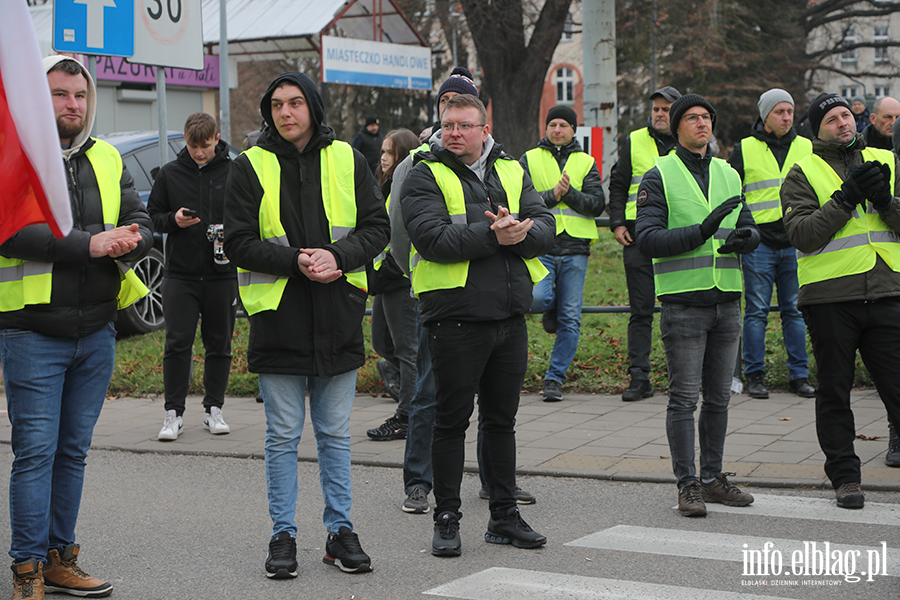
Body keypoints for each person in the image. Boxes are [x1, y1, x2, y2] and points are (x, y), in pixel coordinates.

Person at [224, 72, 389, 576]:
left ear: (313, 108)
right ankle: (283, 536)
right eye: (276, 105)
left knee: (335, 435)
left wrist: (337, 256)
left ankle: (340, 532)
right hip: (280, 320)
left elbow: (377, 227)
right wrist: (295, 260)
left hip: (336, 314)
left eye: (295, 103)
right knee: (282, 435)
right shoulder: (249, 166)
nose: (286, 112)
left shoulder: (347, 158)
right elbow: (237, 242)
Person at [0, 55, 153, 599]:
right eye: (60, 94)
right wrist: (90, 243)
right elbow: (12, 234)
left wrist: (137, 238)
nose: (72, 104)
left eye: (79, 95)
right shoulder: (14, 155)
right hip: (32, 332)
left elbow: (143, 218)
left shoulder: (108, 156)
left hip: (96, 332)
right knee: (36, 453)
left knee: (72, 452)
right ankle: (26, 570)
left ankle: (60, 558)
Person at [401, 94, 555, 556]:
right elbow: (431, 239)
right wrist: (495, 234)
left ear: (484, 131)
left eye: (465, 125)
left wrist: (522, 232)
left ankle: (504, 516)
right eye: (448, 125)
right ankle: (446, 517)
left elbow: (546, 223)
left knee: (501, 421)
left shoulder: (511, 170)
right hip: (456, 319)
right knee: (450, 423)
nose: (454, 133)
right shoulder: (424, 173)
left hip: (509, 316)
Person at [635, 93, 759, 518]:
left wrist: (749, 239)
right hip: (684, 302)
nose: (702, 123)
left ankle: (713, 479)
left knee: (720, 399)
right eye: (692, 117)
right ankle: (687, 485)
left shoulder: (727, 172)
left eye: (707, 117)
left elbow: (747, 224)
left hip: (726, 299)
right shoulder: (659, 176)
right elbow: (648, 239)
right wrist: (704, 229)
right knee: (684, 399)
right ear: (676, 125)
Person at [781, 92, 900, 508]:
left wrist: (886, 202)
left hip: (887, 292)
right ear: (818, 129)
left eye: (846, 115)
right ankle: (846, 478)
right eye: (831, 119)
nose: (842, 124)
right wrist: (845, 198)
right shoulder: (802, 171)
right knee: (835, 392)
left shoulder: (887, 161)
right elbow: (803, 236)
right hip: (831, 298)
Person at [148, 112, 237, 440]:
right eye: (192, 146)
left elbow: (249, 213)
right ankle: (173, 413)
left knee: (219, 344)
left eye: (205, 145)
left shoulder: (233, 170)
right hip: (181, 275)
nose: (199, 152)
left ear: (217, 138)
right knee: (177, 343)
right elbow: (153, 216)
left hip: (221, 273)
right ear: (185, 141)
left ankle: (214, 409)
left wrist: (231, 231)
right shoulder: (171, 174)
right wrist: (173, 220)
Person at [727, 89, 815, 399]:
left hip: (795, 240)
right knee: (757, 311)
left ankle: (799, 376)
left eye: (790, 111)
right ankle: (755, 376)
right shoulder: (744, 149)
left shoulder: (807, 146)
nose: (787, 117)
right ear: (765, 116)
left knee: (794, 310)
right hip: (759, 243)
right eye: (780, 112)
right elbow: (733, 192)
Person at [520, 105, 605, 402]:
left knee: (571, 317)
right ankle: (551, 308)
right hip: (541, 244)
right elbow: (521, 201)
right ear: (546, 128)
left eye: (563, 125)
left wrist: (569, 194)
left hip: (576, 248)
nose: (557, 130)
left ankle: (554, 378)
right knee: (539, 298)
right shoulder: (529, 158)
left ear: (573, 130)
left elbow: (596, 204)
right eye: (552, 124)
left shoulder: (586, 161)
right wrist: (552, 197)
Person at [608, 86, 680, 401]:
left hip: (678, 236)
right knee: (641, 311)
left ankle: (682, 377)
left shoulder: (688, 142)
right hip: (638, 236)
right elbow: (619, 183)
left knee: (679, 309)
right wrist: (616, 223)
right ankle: (640, 379)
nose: (660, 114)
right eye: (656, 109)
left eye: (666, 109)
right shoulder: (635, 140)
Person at [366, 128, 421, 442]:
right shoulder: (384, 187)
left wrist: (382, 272)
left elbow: (402, 238)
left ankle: (408, 415)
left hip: (398, 278)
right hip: (383, 278)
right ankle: (419, 401)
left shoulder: (407, 186)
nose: (383, 157)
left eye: (389, 152)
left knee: (406, 349)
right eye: (383, 152)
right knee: (383, 344)